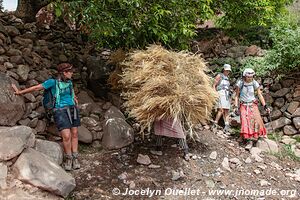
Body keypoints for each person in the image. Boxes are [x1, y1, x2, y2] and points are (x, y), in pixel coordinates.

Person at [12, 63, 81, 171]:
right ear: (64, 72)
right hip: (60, 110)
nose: (72, 73)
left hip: (72, 109)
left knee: (75, 133)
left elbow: (71, 93)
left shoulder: (69, 82)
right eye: (70, 71)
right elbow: (36, 88)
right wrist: (20, 92)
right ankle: (69, 158)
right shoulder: (52, 82)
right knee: (66, 136)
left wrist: (75, 98)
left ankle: (75, 158)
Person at [234, 68, 271, 150]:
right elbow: (236, 96)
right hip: (243, 105)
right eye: (248, 77)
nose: (250, 78)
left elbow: (260, 95)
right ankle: (248, 140)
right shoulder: (240, 83)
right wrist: (236, 107)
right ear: (244, 76)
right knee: (245, 121)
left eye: (251, 77)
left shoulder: (254, 83)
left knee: (257, 120)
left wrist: (265, 105)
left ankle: (258, 135)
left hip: (252, 104)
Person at [212, 64, 232, 132]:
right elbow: (214, 85)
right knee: (221, 109)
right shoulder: (219, 76)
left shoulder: (227, 78)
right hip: (220, 94)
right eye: (226, 70)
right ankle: (215, 123)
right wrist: (215, 94)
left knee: (226, 110)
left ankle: (226, 125)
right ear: (224, 69)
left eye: (228, 71)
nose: (227, 72)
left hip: (226, 95)